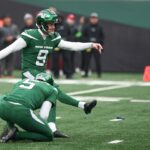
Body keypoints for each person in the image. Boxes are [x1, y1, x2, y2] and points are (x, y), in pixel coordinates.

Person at [0, 9, 103, 137]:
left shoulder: (53, 37)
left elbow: (72, 45)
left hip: (42, 73)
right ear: (42, 24)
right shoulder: (30, 35)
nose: (53, 26)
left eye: (54, 24)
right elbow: (9, 49)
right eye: (50, 24)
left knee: (54, 92)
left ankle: (55, 126)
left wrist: (91, 45)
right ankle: (77, 109)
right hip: (29, 73)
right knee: (53, 91)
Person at [82, 12, 104, 77]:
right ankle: (86, 73)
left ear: (97, 19)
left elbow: (102, 37)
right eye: (92, 18)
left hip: (96, 47)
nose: (94, 19)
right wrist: (86, 44)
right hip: (89, 46)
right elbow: (83, 36)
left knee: (98, 61)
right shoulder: (86, 27)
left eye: (95, 18)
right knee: (87, 60)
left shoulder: (100, 27)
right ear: (90, 19)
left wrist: (100, 44)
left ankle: (99, 74)